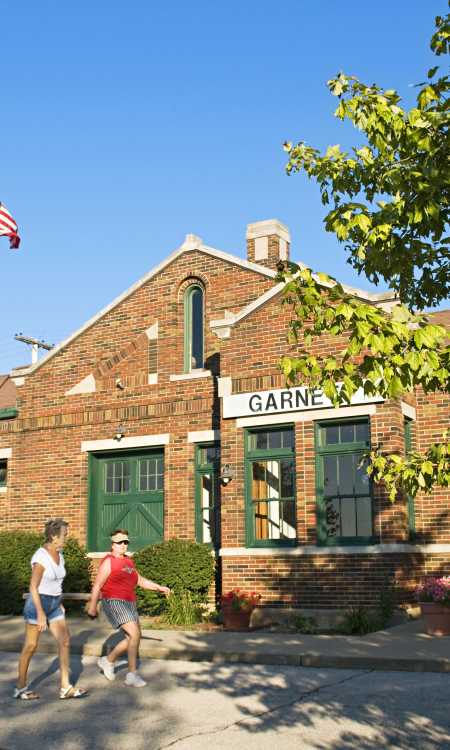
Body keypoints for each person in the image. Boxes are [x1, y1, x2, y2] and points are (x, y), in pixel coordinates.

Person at [14, 518, 88, 700]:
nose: (67, 538)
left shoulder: (60, 555)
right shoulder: (41, 556)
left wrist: (59, 602)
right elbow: (33, 586)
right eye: (65, 535)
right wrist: (40, 614)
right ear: (54, 536)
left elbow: (56, 582)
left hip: (54, 604)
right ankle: (20, 688)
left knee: (64, 641)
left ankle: (65, 687)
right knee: (31, 646)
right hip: (37, 604)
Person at [87, 528, 170, 688]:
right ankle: (132, 675)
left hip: (129, 602)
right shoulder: (109, 561)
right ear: (113, 544)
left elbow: (140, 580)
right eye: (119, 542)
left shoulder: (128, 561)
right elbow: (97, 585)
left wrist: (158, 587)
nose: (123, 545)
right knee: (135, 634)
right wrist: (92, 607)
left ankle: (108, 660)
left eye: (126, 542)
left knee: (133, 637)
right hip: (114, 601)